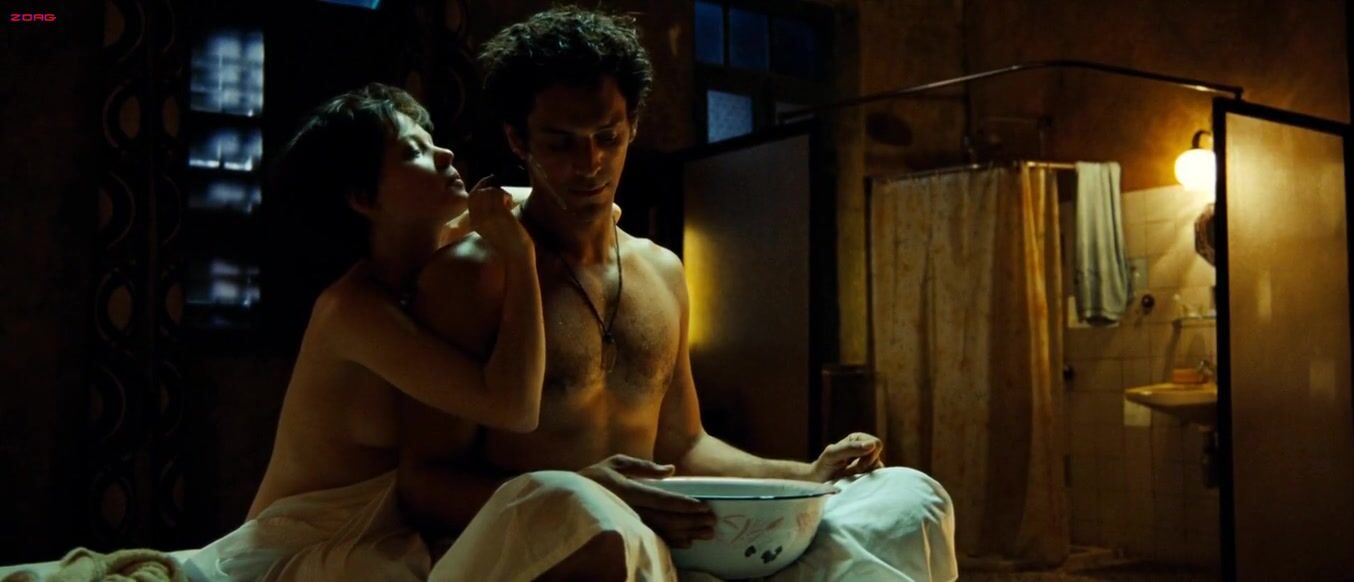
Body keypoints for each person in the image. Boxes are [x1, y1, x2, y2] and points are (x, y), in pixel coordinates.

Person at [398, 7, 959, 581]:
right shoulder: (471, 277)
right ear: (518, 139)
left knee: (908, 498)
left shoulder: (661, 272)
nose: (590, 163)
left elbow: (684, 446)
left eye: (608, 137)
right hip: (555, 548)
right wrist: (579, 495)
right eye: (562, 143)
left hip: (667, 540)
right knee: (599, 524)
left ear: (633, 127)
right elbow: (423, 484)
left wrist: (808, 474)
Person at [187, 83, 548, 581]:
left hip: (386, 539)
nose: (445, 154)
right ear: (363, 198)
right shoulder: (353, 312)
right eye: (413, 152)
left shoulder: (445, 248)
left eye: (432, 141)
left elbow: (575, 210)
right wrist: (521, 257)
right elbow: (515, 408)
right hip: (306, 553)